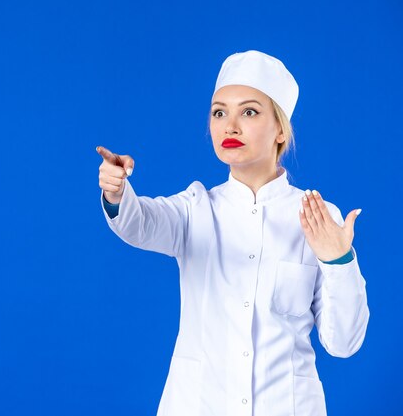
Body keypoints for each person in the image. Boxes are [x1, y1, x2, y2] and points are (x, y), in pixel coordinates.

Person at [95, 50, 369, 416]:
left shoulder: (317, 216)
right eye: (219, 112)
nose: (230, 126)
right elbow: (139, 221)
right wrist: (117, 192)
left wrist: (339, 260)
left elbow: (343, 342)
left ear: (281, 129)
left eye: (250, 112)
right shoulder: (195, 208)